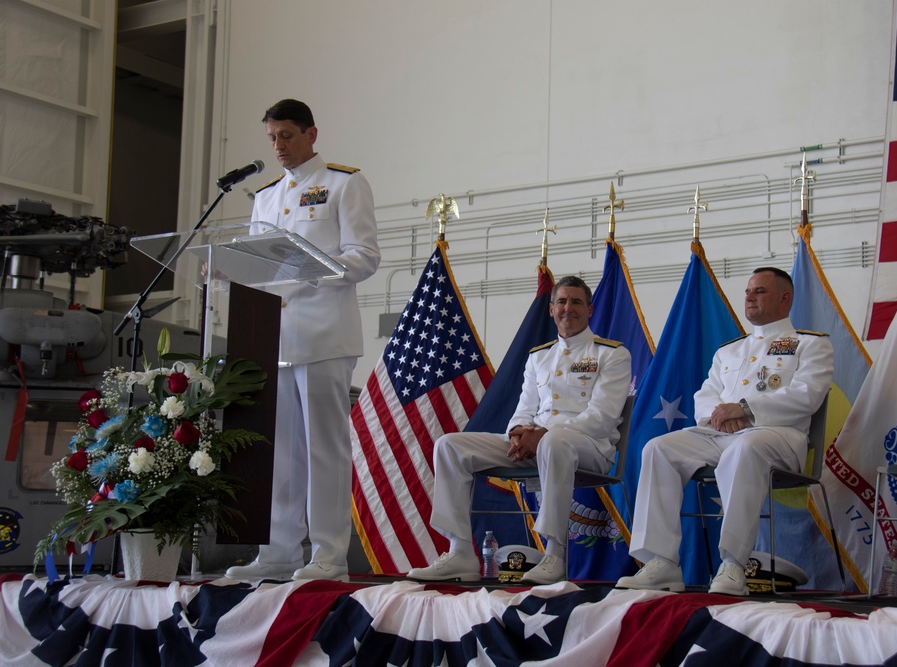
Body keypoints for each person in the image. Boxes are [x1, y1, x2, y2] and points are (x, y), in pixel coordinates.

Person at [225, 99, 380, 581]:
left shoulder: (343, 183)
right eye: (272, 138)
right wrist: (227, 267)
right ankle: (277, 550)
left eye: (287, 136)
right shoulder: (266, 196)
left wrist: (311, 267)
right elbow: (258, 265)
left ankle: (328, 554)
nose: (278, 147)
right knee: (279, 448)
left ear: (312, 134)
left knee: (323, 448)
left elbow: (364, 257)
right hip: (275, 336)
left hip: (323, 333)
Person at [616, 267, 832, 595]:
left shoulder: (809, 345)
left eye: (759, 291)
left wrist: (745, 410)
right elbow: (706, 395)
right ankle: (661, 562)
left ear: (785, 298)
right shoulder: (728, 351)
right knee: (657, 449)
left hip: (777, 435)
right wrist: (719, 416)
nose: (749, 297)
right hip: (719, 434)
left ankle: (733, 563)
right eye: (748, 291)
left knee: (743, 449)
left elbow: (807, 395)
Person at [407, 276, 632, 585]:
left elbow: (602, 417)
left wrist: (540, 436)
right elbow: (524, 408)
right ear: (551, 309)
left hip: (588, 447)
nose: (569, 308)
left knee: (555, 441)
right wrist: (517, 433)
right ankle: (460, 552)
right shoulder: (538, 356)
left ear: (590, 310)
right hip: (536, 442)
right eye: (562, 302)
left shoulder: (612, 354)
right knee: (450, 445)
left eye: (577, 302)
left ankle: (555, 553)